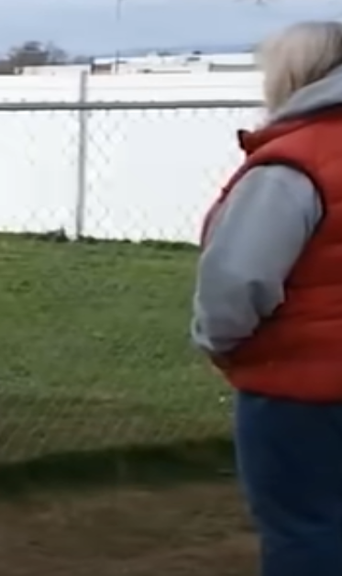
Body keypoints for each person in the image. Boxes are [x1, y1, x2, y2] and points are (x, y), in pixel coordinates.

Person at [192, 20, 342, 576]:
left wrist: (220, 344)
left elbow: (235, 281)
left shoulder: (292, 164)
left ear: (296, 76)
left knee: (307, 531)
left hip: (303, 390)